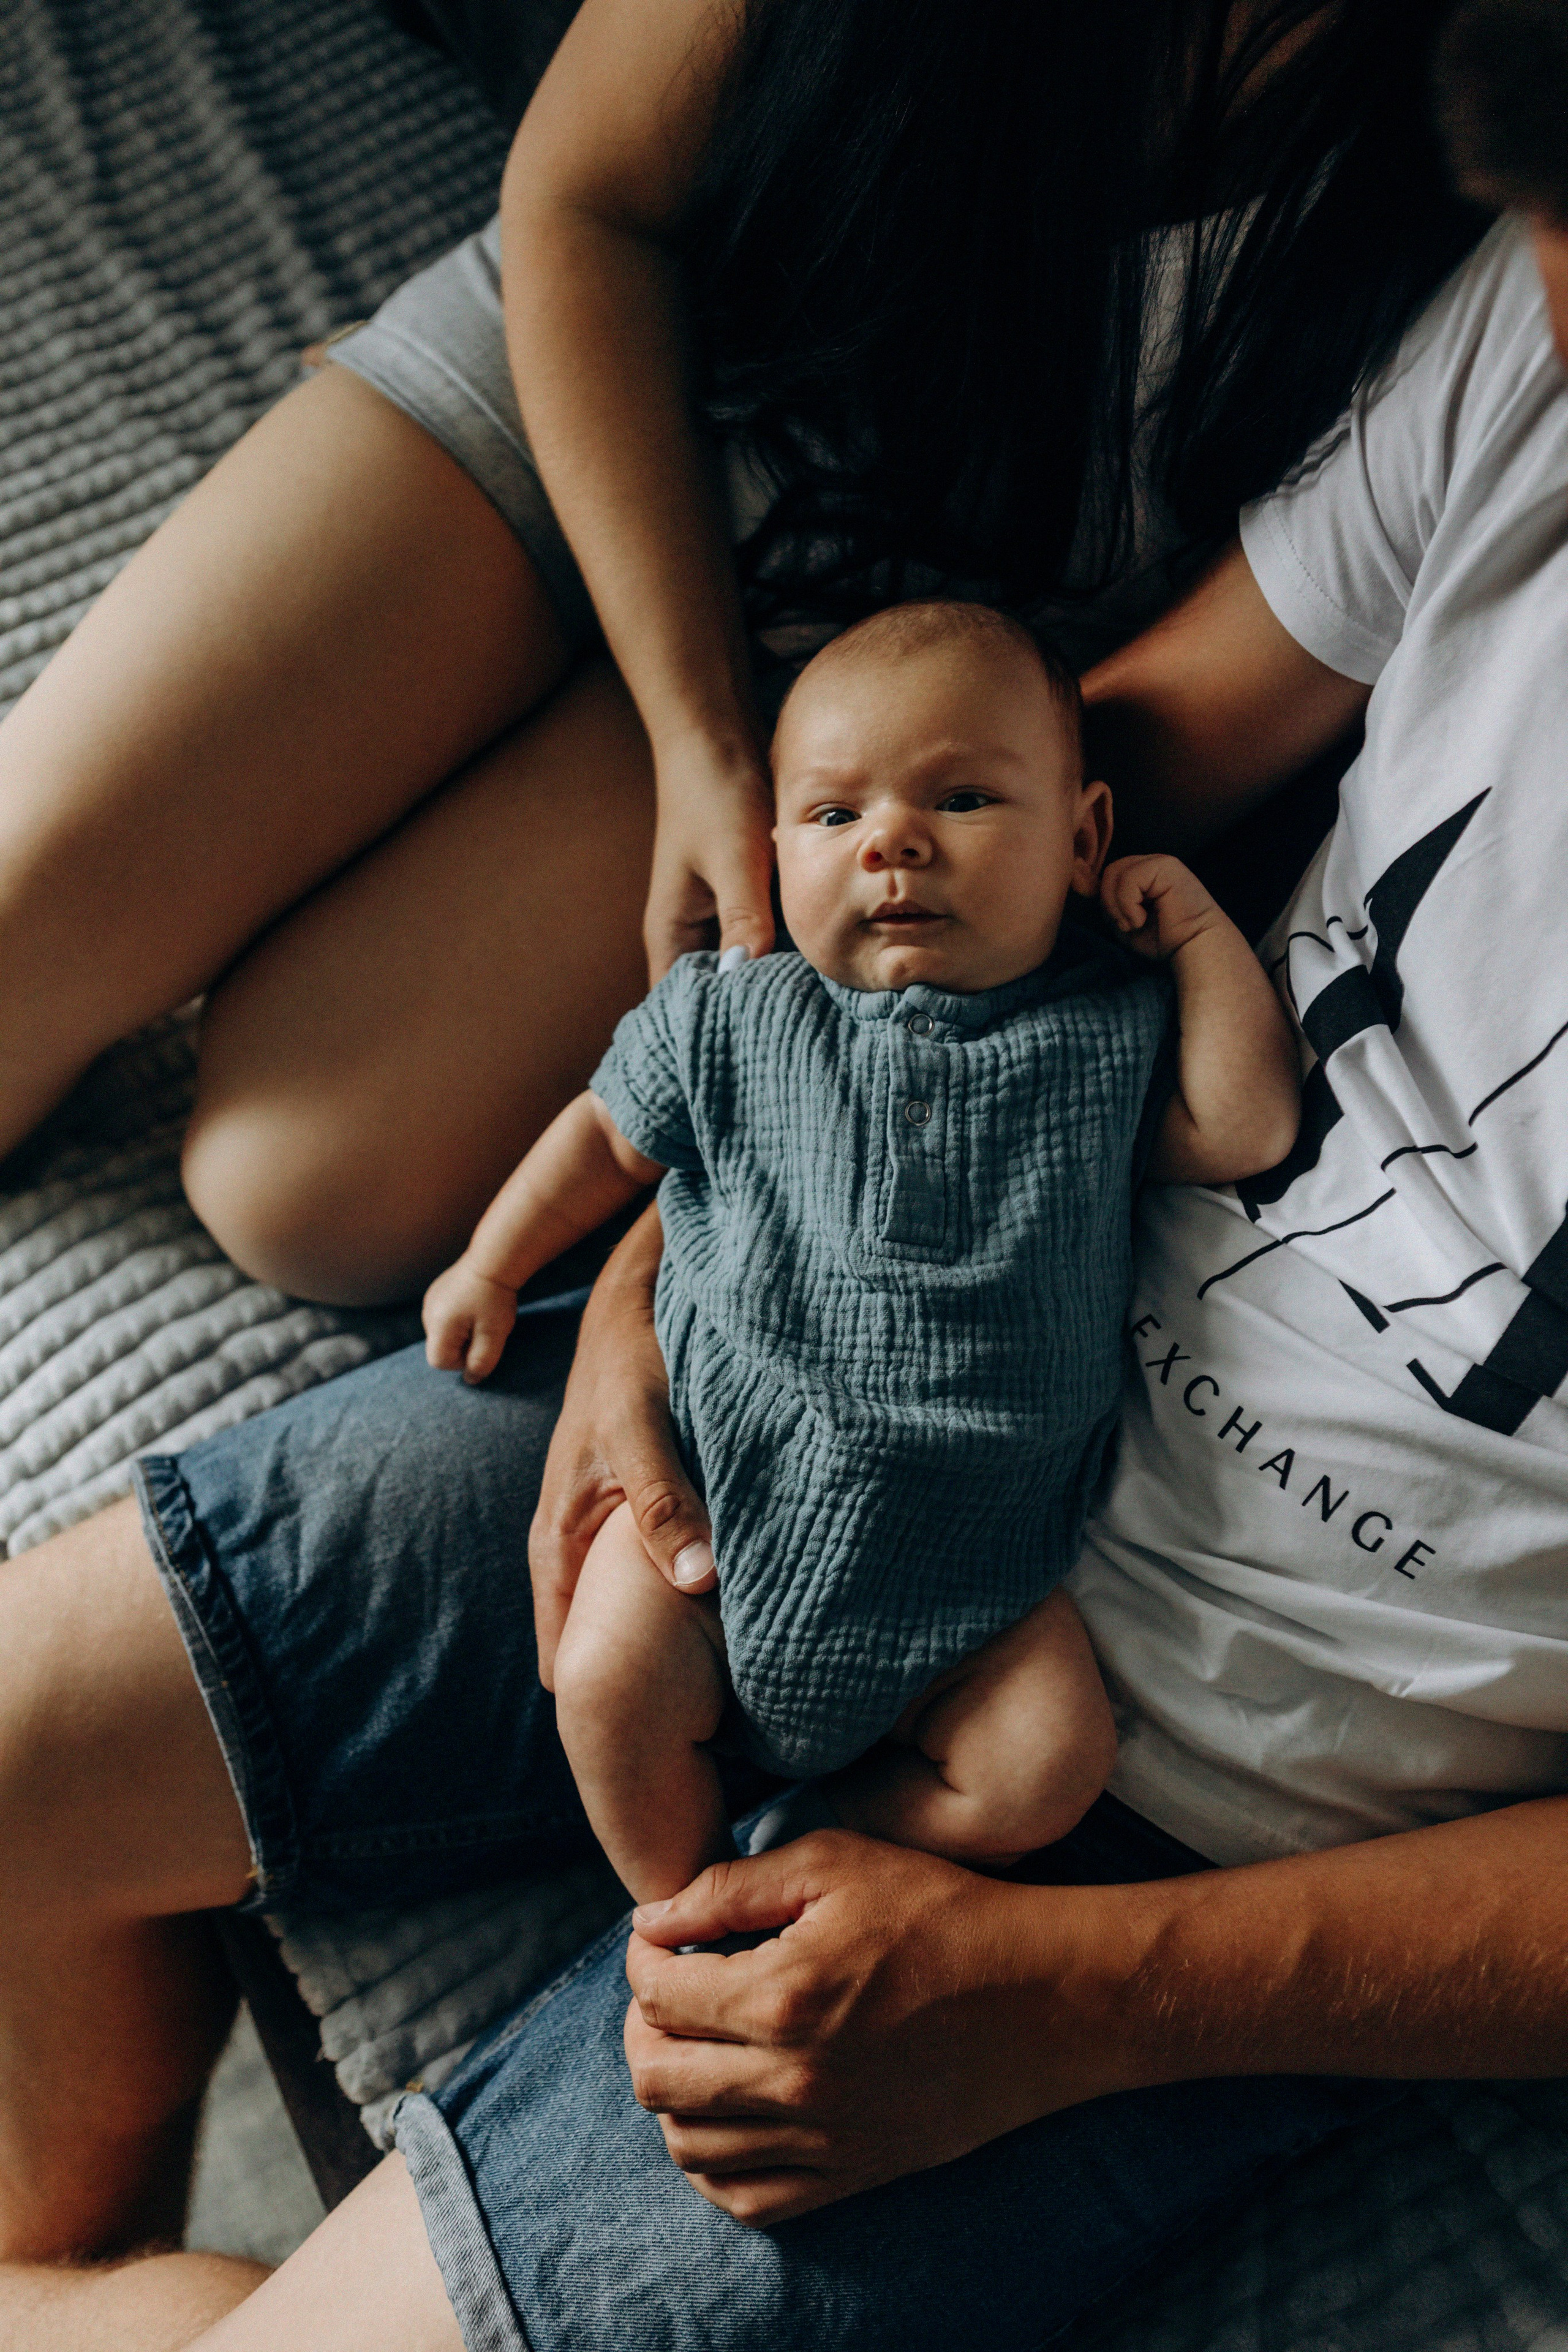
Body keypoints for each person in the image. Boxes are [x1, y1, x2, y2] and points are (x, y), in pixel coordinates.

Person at [5, 22, 1568, 2329]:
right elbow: (1105, 755)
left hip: (1230, 1796)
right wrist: (745, 1150)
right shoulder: (1531, 323)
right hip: (846, 1339)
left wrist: (1089, 1996)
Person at [0, 0, 1473, 1305]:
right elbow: (588, 198)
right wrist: (690, 733)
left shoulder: (1490, 130)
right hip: (620, 388)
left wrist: (872, 795)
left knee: (292, 1194)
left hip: (901, 682)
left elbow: (1231, 681)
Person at [423, 601, 1297, 1901]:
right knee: (606, 1689)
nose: (891, 841)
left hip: (979, 1581)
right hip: (720, 1511)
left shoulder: (1096, 1039)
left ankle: (822, 1845)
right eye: (834, 818)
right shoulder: (732, 1015)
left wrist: (1192, 934)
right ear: (773, 851)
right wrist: (492, 1263)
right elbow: (603, 1139)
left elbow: (1242, 1122)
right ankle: (683, 1904)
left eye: (958, 798)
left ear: (1082, 838)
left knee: (1045, 1765)